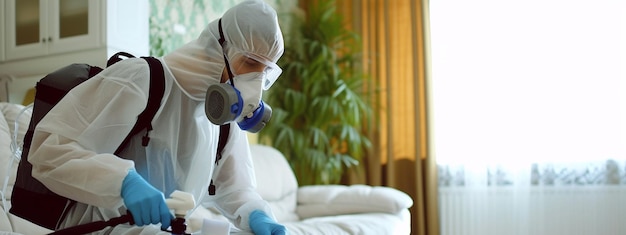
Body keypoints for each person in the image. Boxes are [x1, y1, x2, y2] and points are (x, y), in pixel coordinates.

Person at [27, 0, 287, 234]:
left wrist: (257, 214)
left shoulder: (223, 121)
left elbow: (235, 188)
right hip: (97, 227)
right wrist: (124, 183)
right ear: (221, 48)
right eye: (251, 63)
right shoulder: (141, 79)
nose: (255, 82)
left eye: (266, 72)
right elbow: (49, 151)